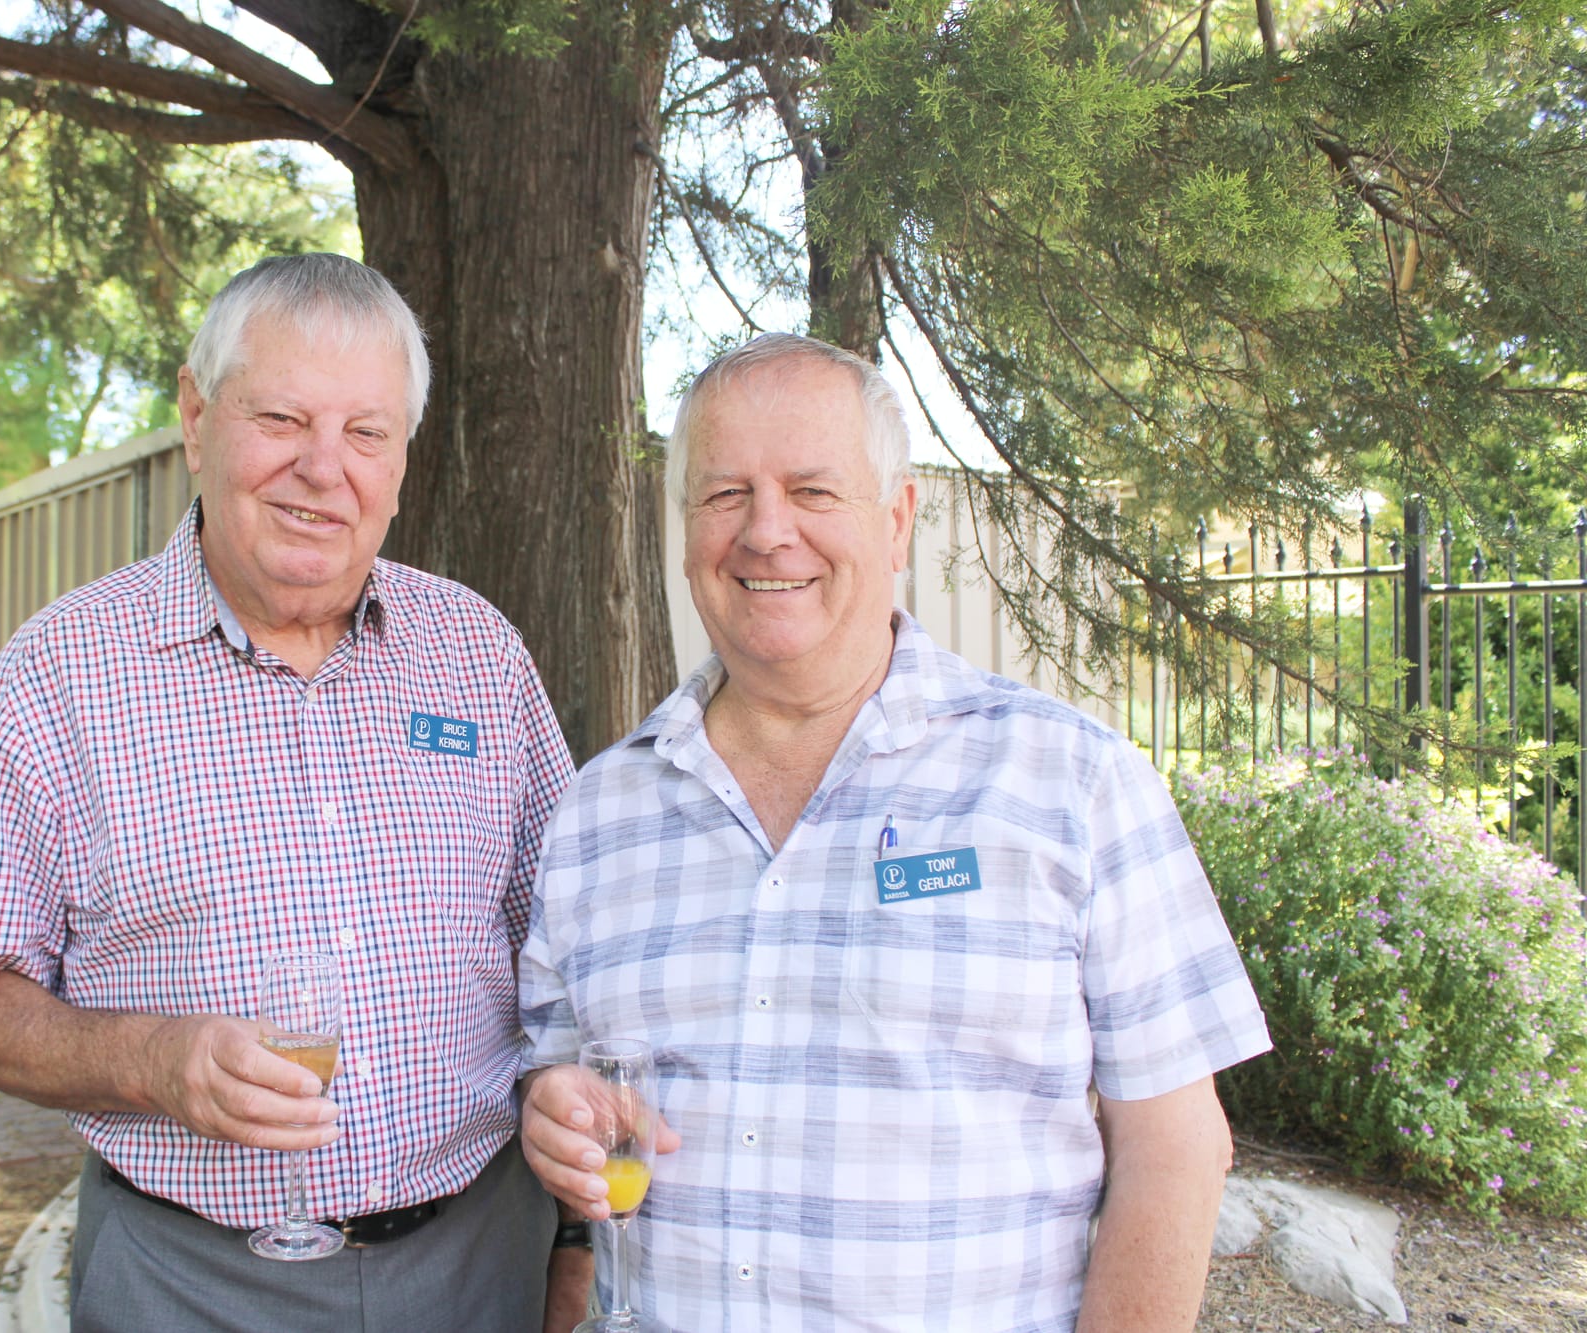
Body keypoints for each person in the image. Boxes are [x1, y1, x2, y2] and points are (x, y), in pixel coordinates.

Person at [518, 332, 1273, 1331]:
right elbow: (562, 1082)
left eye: (811, 491)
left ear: (897, 519)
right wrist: (552, 1116)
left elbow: (1174, 1147)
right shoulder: (597, 814)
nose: (765, 531)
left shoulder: (1071, 784)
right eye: (724, 494)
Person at [0, 253, 588, 1333]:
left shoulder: (477, 653)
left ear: (401, 458)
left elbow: (571, 966)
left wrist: (572, 1243)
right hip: (187, 1284)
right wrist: (152, 1061)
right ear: (196, 416)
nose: (324, 470)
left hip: (479, 1263)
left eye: (366, 433)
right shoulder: (60, 673)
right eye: (281, 417)